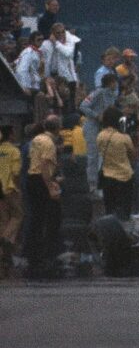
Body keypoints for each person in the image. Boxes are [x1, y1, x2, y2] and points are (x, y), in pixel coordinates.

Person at [24, 116, 63, 278]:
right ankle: (48, 254)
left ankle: (33, 255)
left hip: (32, 179)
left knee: (36, 218)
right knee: (52, 218)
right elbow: (45, 165)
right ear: (57, 128)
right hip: (42, 181)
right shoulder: (48, 142)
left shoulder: (37, 139)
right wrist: (51, 187)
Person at [96, 109, 136, 221]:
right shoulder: (124, 137)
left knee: (109, 208)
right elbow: (133, 156)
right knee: (124, 209)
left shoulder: (100, 136)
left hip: (107, 176)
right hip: (125, 177)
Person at [0, 125, 21, 277]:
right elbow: (16, 172)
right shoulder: (14, 151)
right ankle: (6, 239)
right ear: (11, 135)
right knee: (18, 215)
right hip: (10, 189)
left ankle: (4, 255)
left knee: (4, 220)